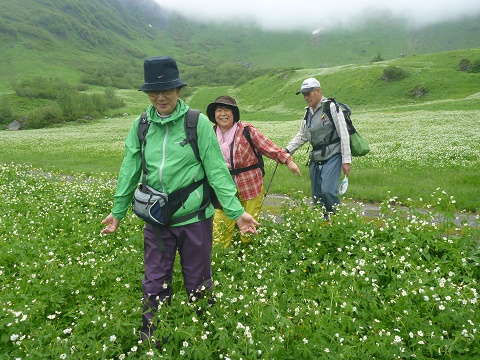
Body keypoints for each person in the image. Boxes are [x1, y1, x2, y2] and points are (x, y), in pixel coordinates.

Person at [100, 56, 259, 344]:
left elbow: (216, 171)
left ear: (178, 90)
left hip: (194, 219)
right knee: (154, 280)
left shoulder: (196, 123)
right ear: (148, 94)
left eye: (167, 91)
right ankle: (152, 338)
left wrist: (237, 212)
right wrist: (117, 211)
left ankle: (205, 334)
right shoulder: (141, 125)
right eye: (154, 92)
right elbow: (129, 169)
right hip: (156, 219)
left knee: (198, 279)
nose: (161, 97)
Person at [206, 95, 301, 248]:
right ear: (214, 115)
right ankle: (220, 260)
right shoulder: (209, 134)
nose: (223, 114)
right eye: (219, 110)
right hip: (223, 188)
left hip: (250, 185)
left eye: (227, 110)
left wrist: (288, 161)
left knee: (248, 226)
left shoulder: (246, 131)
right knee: (220, 229)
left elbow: (268, 147)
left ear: (234, 113)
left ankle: (248, 255)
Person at [285, 78, 351, 218]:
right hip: (315, 158)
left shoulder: (331, 107)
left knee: (328, 191)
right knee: (317, 196)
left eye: (308, 93)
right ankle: (323, 223)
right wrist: (287, 150)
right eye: (303, 94)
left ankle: (339, 222)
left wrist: (346, 160)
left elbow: (343, 133)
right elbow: (302, 135)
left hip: (333, 155)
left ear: (318, 91)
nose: (306, 97)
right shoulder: (308, 112)